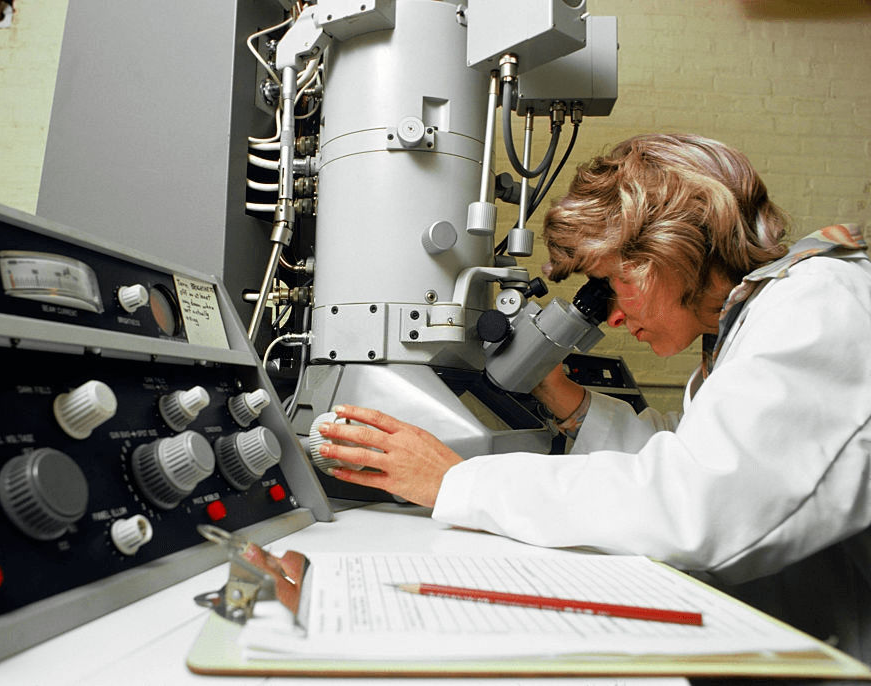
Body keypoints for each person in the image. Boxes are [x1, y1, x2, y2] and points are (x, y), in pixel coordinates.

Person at [315, 134, 871, 662]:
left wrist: (455, 482)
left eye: (612, 284)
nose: (615, 318)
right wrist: (567, 399)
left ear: (670, 249)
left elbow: (700, 503)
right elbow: (691, 453)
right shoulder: (749, 324)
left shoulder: (818, 301)